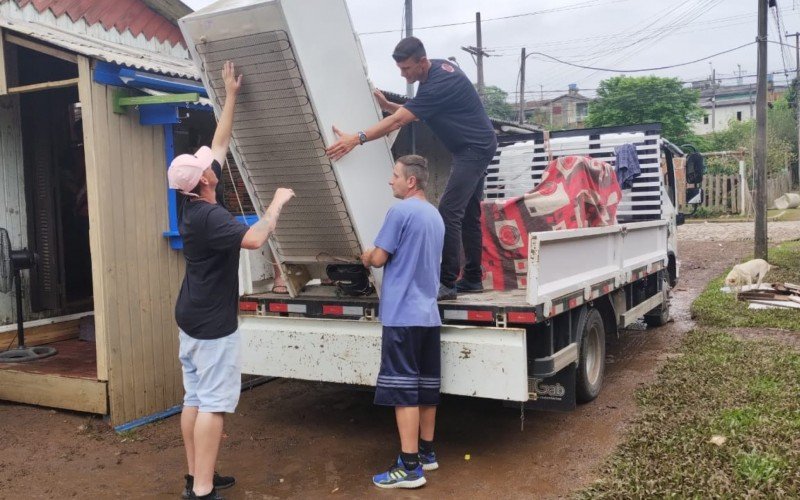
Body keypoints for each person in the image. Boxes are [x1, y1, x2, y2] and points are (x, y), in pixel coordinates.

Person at [168, 61, 295, 500]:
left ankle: (194, 475)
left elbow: (219, 143)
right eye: (208, 166)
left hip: (191, 316)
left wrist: (231, 94)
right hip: (212, 322)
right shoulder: (210, 216)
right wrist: (276, 203)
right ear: (205, 179)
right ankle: (202, 490)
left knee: (195, 397)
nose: (212, 162)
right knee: (214, 405)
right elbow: (256, 239)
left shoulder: (190, 201)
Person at [327, 36, 497, 300]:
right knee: (468, 214)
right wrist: (388, 106)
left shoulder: (440, 84)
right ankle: (473, 278)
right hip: (474, 146)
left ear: (422, 62)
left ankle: (447, 282)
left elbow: (399, 121)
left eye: (406, 68)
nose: (402, 74)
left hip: (473, 149)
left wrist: (356, 139)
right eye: (400, 68)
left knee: (449, 210)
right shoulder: (434, 74)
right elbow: (417, 112)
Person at [360, 155, 445, 489]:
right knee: (425, 388)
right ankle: (427, 452)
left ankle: (409, 468)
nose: (390, 180)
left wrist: (367, 255)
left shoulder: (399, 212)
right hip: (428, 315)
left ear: (411, 181)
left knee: (403, 392)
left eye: (394, 175)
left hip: (402, 315)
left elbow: (379, 257)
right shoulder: (435, 216)